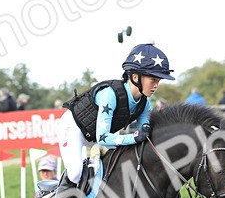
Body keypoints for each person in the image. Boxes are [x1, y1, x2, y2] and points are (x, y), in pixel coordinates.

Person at [57, 42, 173, 185]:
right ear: (136, 77)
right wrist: (134, 137)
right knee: (75, 173)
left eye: (158, 80)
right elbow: (103, 138)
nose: (156, 85)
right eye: (153, 79)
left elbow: (143, 136)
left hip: (95, 136)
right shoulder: (109, 95)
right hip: (73, 129)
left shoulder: (145, 103)